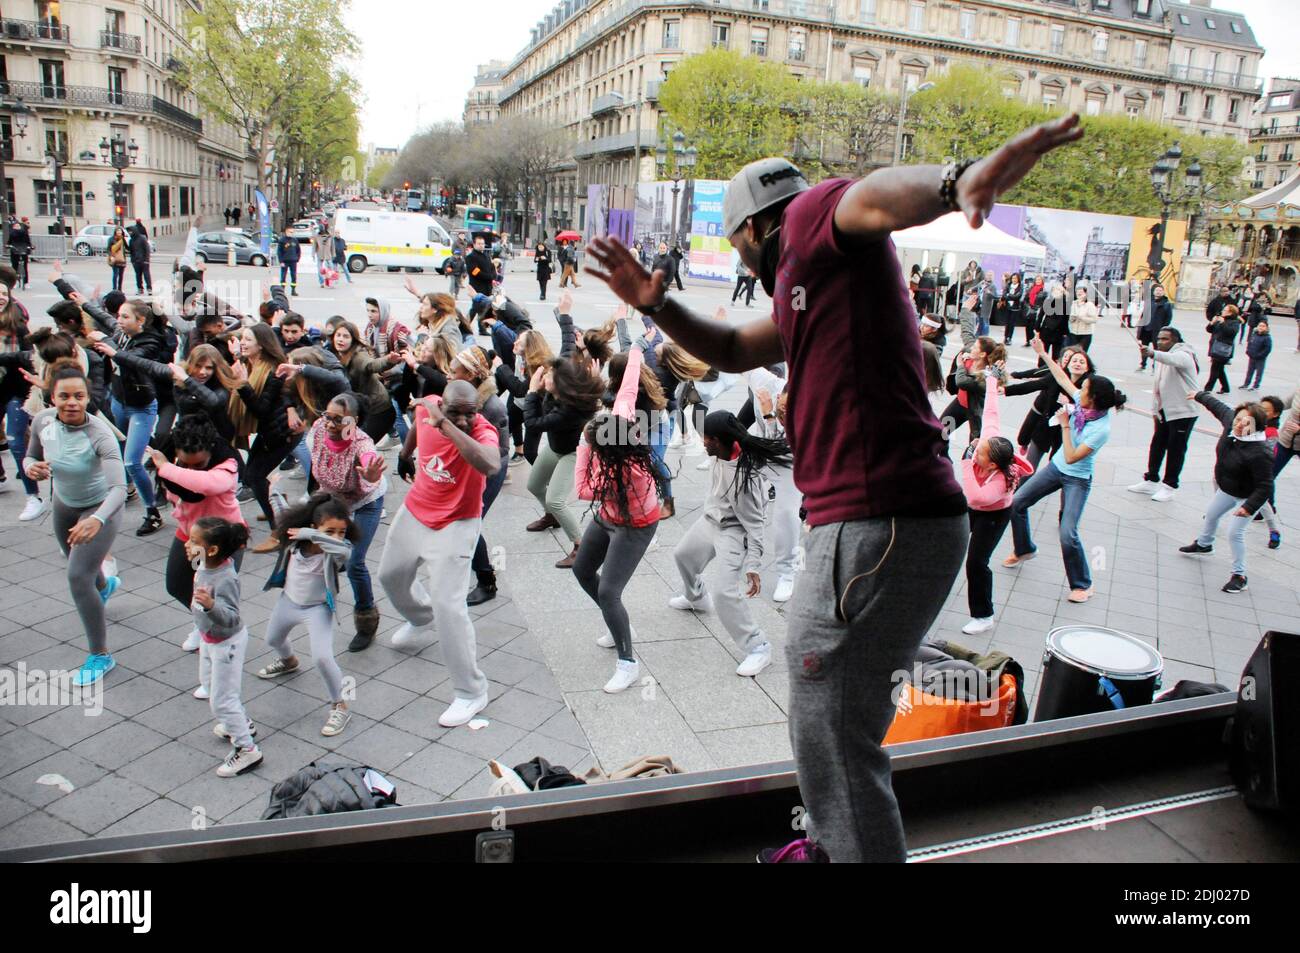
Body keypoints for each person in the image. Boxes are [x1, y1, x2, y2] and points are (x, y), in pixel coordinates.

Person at [584, 114, 1084, 863]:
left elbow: (870, 200)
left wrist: (957, 184)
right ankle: (829, 847)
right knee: (835, 719)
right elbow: (727, 345)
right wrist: (657, 307)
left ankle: (836, 852)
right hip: (896, 523)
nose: (741, 256)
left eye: (736, 241)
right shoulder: (810, 288)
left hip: (876, 521)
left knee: (831, 726)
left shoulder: (810, 221)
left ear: (754, 226)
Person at [382, 381, 501, 728]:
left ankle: (471, 692)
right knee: (390, 576)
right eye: (455, 413)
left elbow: (490, 464)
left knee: (449, 606)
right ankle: (420, 618)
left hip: (458, 522)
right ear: (442, 404)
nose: (464, 420)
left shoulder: (482, 431)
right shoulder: (426, 408)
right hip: (417, 509)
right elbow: (417, 428)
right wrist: (404, 455)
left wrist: (446, 423)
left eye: (470, 413)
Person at [23, 365, 126, 687]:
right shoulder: (42, 421)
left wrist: (96, 520)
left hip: (100, 508)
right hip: (63, 504)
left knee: (77, 576)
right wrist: (31, 469)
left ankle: (101, 655)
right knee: (80, 566)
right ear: (52, 397)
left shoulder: (99, 432)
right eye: (64, 396)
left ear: (87, 397)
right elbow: (29, 457)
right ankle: (105, 587)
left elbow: (119, 490)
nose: (71, 402)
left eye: (78, 396)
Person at [669, 410, 791, 678]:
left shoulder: (745, 478)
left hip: (734, 532)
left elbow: (756, 524)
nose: (703, 443)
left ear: (722, 441)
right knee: (683, 556)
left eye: (707, 439)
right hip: (710, 520)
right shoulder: (721, 453)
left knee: (724, 593)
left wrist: (754, 565)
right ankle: (697, 597)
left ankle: (759, 647)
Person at [573, 343, 664, 692]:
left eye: (593, 443)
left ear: (605, 453)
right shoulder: (622, 421)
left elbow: (582, 489)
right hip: (609, 516)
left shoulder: (625, 474)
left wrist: (583, 449)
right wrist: (635, 350)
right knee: (582, 571)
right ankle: (618, 624)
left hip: (635, 525)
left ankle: (628, 663)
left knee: (610, 591)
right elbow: (627, 388)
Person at [1007, 336, 1126, 603]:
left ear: (1092, 399)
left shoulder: (1100, 429)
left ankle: (1083, 584)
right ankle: (1025, 548)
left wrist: (1064, 423)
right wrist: (1044, 354)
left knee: (1067, 533)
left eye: (1084, 389)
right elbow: (1061, 378)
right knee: (1016, 503)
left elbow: (1072, 457)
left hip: (1076, 478)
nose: (1078, 390)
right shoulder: (1085, 406)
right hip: (1055, 469)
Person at [255, 493, 356, 737]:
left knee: (322, 658)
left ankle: (340, 704)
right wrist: (274, 492)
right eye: (329, 531)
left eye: (341, 531)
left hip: (317, 609)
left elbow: (345, 550)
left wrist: (310, 534)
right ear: (313, 525)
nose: (336, 537)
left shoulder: (337, 551)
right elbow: (282, 514)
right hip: (288, 603)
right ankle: (289, 661)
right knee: (272, 640)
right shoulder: (295, 543)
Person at [147, 413, 245, 659]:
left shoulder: (228, 464)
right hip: (189, 534)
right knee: (177, 584)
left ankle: (220, 635)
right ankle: (202, 621)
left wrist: (167, 467)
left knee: (212, 594)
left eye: (198, 464)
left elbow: (205, 485)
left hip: (221, 543)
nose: (189, 469)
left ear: (210, 450)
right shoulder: (174, 459)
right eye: (184, 463)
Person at [302, 393, 387, 651]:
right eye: (328, 416)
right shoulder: (318, 429)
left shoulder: (361, 443)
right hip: (333, 499)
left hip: (365, 502)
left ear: (354, 421)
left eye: (339, 420)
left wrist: (371, 472)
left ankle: (366, 620)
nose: (330, 424)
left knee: (354, 562)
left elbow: (369, 458)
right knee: (309, 549)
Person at [184, 516, 260, 776]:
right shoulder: (206, 563)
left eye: (194, 542)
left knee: (221, 700)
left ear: (213, 549)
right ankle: (240, 723)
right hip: (210, 639)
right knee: (208, 683)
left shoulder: (225, 578)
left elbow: (232, 617)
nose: (187, 544)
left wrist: (210, 606)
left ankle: (247, 749)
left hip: (226, 642)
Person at [88, 299, 170, 536]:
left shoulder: (149, 341)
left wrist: (107, 344)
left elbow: (132, 359)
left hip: (141, 407)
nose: (120, 321)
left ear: (140, 320)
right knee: (120, 450)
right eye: (120, 316)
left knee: (132, 461)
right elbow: (103, 316)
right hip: (119, 402)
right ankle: (127, 489)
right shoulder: (119, 332)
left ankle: (152, 511)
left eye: (125, 317)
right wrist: (76, 296)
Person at [1178, 394, 1274, 594]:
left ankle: (1239, 575)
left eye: (1246, 422)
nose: (1239, 425)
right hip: (1228, 488)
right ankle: (1204, 544)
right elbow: (1218, 406)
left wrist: (1248, 508)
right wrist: (1199, 395)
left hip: (1247, 496)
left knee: (1234, 533)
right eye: (1238, 420)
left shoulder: (1260, 452)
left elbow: (1265, 486)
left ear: (1257, 426)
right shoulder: (1232, 423)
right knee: (1212, 514)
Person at [523, 336, 605, 569]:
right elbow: (570, 358)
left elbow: (533, 423)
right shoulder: (559, 393)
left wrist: (531, 392)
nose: (545, 376)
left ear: (559, 384)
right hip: (555, 447)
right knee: (534, 486)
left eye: (549, 375)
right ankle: (551, 517)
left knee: (556, 500)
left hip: (572, 454)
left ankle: (581, 546)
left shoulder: (568, 410)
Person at [228, 324, 292, 526]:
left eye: (248, 340)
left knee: (254, 476)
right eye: (242, 339)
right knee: (252, 474)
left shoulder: (273, 371)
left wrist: (243, 385)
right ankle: (277, 505)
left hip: (281, 432)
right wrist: (236, 356)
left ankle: (278, 525)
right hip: (268, 432)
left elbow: (262, 410)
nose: (243, 343)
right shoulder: (251, 363)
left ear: (262, 345)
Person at [1130, 327, 1200, 502]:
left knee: (1176, 449)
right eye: (1159, 338)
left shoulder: (1184, 354)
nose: (1160, 342)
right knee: (1157, 445)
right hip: (1164, 410)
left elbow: (1174, 360)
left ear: (1176, 340)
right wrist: (1155, 410)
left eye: (1165, 339)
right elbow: (1158, 386)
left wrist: (1152, 353)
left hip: (1183, 411)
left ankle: (1170, 486)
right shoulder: (1162, 356)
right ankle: (1151, 479)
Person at [330, 320, 403, 443]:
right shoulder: (334, 354)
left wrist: (389, 360)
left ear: (353, 340)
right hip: (358, 409)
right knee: (346, 444)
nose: (341, 340)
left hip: (379, 411)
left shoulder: (358, 357)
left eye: (346, 336)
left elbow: (372, 365)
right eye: (338, 335)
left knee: (358, 447)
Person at [1205, 304, 1243, 394]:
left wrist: (1222, 323)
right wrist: (1212, 323)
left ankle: (1207, 389)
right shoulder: (1221, 319)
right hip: (1215, 347)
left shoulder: (1235, 322)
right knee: (1220, 370)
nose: (1223, 311)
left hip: (1223, 349)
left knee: (1215, 369)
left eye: (1225, 310)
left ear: (1230, 313)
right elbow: (1209, 330)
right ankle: (1225, 388)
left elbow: (1231, 333)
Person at [1137, 284, 1173, 371]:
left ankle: (1155, 366)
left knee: (1157, 348)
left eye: (1160, 290)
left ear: (1163, 292)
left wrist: (1163, 329)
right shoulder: (1149, 302)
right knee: (1144, 347)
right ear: (1153, 292)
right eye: (1157, 290)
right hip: (1146, 329)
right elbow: (1143, 315)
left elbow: (1168, 318)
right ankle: (1143, 364)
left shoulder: (1167, 304)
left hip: (1157, 330)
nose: (1158, 292)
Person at [1066, 282, 1099, 351]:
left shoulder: (1089, 305)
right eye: (1077, 292)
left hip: (1085, 334)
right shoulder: (1074, 303)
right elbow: (1070, 318)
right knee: (1072, 352)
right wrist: (1072, 318)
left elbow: (1094, 319)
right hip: (1074, 333)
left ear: (1086, 294)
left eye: (1081, 292)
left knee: (1082, 353)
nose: (1079, 294)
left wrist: (1082, 318)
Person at [1242, 318, 1272, 391]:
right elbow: (1250, 343)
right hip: (1252, 356)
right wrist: (1248, 351)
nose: (1261, 327)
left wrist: (1260, 355)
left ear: (1266, 328)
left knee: (1259, 372)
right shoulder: (1254, 335)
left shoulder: (1267, 337)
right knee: (1249, 371)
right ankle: (1246, 384)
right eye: (1260, 326)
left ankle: (1256, 385)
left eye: (1263, 326)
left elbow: (1267, 349)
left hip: (1260, 358)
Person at [7, 216, 32, 289]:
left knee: (18, 266)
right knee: (19, 266)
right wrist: (29, 247)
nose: (16, 227)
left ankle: (23, 282)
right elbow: (28, 242)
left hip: (18, 250)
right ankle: (21, 282)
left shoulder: (16, 233)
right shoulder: (19, 233)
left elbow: (28, 242)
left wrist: (30, 247)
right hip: (19, 250)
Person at [275, 227, 301, 296]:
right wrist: (281, 261)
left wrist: (297, 258)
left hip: (293, 261)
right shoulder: (282, 240)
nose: (291, 233)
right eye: (290, 232)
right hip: (285, 261)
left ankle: (293, 290)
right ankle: (282, 290)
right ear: (286, 232)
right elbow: (279, 252)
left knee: (294, 276)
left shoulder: (295, 240)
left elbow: (298, 250)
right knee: (283, 276)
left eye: (292, 232)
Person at [128, 223, 152, 294]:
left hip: (144, 261)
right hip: (136, 261)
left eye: (130, 231)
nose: (130, 233)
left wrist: (147, 260)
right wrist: (132, 260)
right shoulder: (131, 240)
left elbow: (147, 249)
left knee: (146, 275)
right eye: (129, 231)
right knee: (138, 276)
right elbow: (131, 251)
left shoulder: (142, 238)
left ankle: (149, 288)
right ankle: (140, 288)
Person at [107, 226, 128, 293]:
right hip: (114, 259)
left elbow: (127, 248)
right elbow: (108, 249)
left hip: (122, 259)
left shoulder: (123, 239)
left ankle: (120, 289)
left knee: (121, 275)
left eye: (120, 231)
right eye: (118, 231)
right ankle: (114, 289)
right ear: (115, 232)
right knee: (115, 274)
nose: (119, 232)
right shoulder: (111, 239)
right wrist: (111, 256)